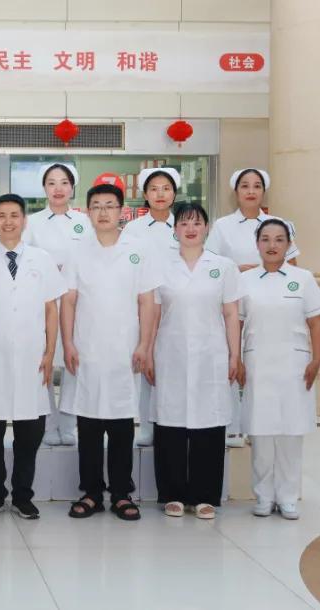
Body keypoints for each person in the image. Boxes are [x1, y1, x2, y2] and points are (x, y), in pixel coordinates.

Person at [0, 194, 65, 520]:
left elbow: (51, 310)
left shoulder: (42, 260)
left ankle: (22, 495)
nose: (8, 221)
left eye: (14, 215)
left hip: (32, 357)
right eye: (1, 215)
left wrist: (50, 352)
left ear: (24, 220)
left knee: (29, 433)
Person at [60, 183, 160, 521]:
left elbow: (147, 301)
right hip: (87, 348)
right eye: (97, 206)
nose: (103, 212)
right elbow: (68, 301)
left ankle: (121, 493)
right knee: (88, 423)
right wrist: (68, 343)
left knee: (121, 424)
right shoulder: (77, 251)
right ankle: (90, 492)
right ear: (87, 212)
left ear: (122, 211)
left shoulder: (138, 250)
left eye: (110, 206)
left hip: (125, 350)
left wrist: (144, 344)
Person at [145, 203, 242, 520]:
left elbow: (231, 313)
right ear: (174, 229)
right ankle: (172, 493)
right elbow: (153, 313)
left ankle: (204, 496)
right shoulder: (161, 266)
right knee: (170, 422)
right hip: (170, 352)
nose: (191, 229)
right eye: (184, 223)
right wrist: (147, 351)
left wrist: (235, 354)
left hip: (210, 354)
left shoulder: (223, 266)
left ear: (207, 228)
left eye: (197, 223)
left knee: (208, 423)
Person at [238, 219, 320, 520]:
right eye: (265, 239)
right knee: (261, 432)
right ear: (257, 244)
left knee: (291, 431)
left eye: (279, 239)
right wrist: (236, 359)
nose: (272, 245)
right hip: (258, 364)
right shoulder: (245, 280)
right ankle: (263, 496)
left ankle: (288, 497)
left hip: (294, 366)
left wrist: (317, 359)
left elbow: (316, 322)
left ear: (289, 244)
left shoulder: (303, 278)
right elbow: (236, 322)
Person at [206, 168, 300, 449]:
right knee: (232, 360)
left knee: (260, 363)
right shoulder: (223, 226)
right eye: (244, 186)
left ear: (263, 191)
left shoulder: (278, 224)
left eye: (256, 186)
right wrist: (239, 269)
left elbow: (293, 266)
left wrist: (265, 270)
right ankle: (233, 426)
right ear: (235, 191)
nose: (250, 191)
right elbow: (209, 266)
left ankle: (260, 424)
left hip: (269, 305)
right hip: (232, 303)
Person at [25, 162, 93, 447]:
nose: (58, 189)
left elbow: (92, 257)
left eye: (64, 183)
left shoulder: (84, 222)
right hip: (42, 300)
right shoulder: (32, 222)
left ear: (72, 188)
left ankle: (68, 424)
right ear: (44, 188)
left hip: (77, 302)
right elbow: (25, 257)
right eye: (51, 183)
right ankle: (49, 424)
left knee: (72, 361)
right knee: (43, 361)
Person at [122, 167, 181, 447]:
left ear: (174, 194)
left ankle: (171, 424)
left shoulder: (183, 225)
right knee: (145, 362)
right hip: (143, 303)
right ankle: (146, 426)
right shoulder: (133, 229)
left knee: (171, 364)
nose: (160, 194)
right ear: (145, 194)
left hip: (176, 303)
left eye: (166, 189)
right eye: (154, 189)